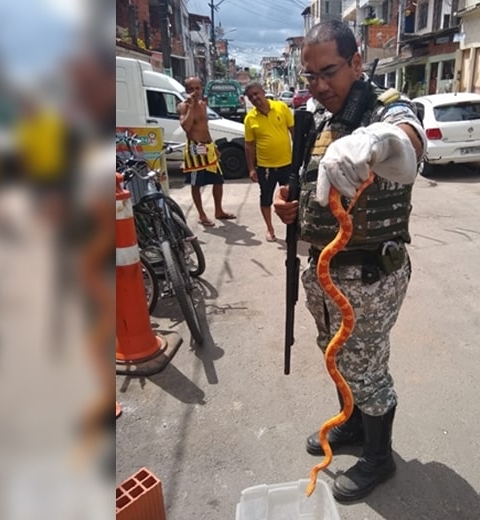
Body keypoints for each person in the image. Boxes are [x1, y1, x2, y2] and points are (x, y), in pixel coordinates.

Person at [273, 20, 425, 502]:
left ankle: (379, 460)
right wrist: (290, 206)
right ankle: (355, 425)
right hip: (324, 270)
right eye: (310, 75)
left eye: (330, 71)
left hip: (369, 273)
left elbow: (410, 138)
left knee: (366, 366)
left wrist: (378, 141)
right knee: (337, 354)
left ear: (357, 63)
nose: (318, 85)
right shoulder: (317, 118)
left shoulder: (385, 108)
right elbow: (313, 184)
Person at [178, 76, 236, 227]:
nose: (195, 92)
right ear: (186, 91)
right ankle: (202, 214)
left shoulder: (203, 105)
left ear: (201, 88)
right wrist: (190, 106)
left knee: (218, 180)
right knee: (196, 183)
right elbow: (186, 127)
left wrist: (213, 146)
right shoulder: (183, 106)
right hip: (194, 149)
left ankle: (219, 210)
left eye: (197, 88)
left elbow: (205, 128)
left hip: (207, 147)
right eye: (191, 89)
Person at [243, 81, 295, 242]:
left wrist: (298, 159)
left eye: (256, 94)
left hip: (287, 164)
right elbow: (249, 146)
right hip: (265, 167)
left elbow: (294, 132)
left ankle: (292, 229)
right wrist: (251, 168)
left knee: (291, 198)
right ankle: (270, 229)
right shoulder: (250, 119)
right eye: (251, 97)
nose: (254, 98)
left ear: (263, 92)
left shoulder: (281, 108)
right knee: (265, 198)